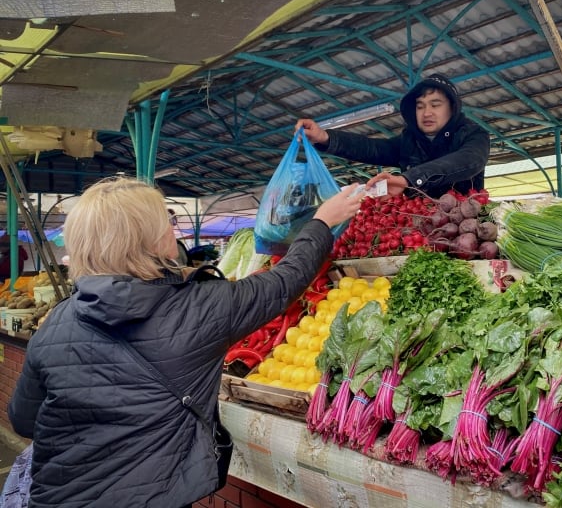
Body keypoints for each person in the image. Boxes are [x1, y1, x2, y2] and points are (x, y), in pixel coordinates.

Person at [7, 176, 364, 507]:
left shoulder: (58, 320)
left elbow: (24, 420)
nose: (172, 227)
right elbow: (286, 280)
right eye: (166, 220)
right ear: (148, 240)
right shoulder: (201, 307)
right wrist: (321, 222)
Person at [295, 73, 490, 199]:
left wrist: (410, 179)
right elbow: (372, 148)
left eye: (435, 104)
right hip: (419, 228)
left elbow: (469, 160)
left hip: (465, 228)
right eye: (420, 106)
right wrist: (325, 137)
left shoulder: (473, 134)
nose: (426, 112)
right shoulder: (410, 141)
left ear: (452, 107)